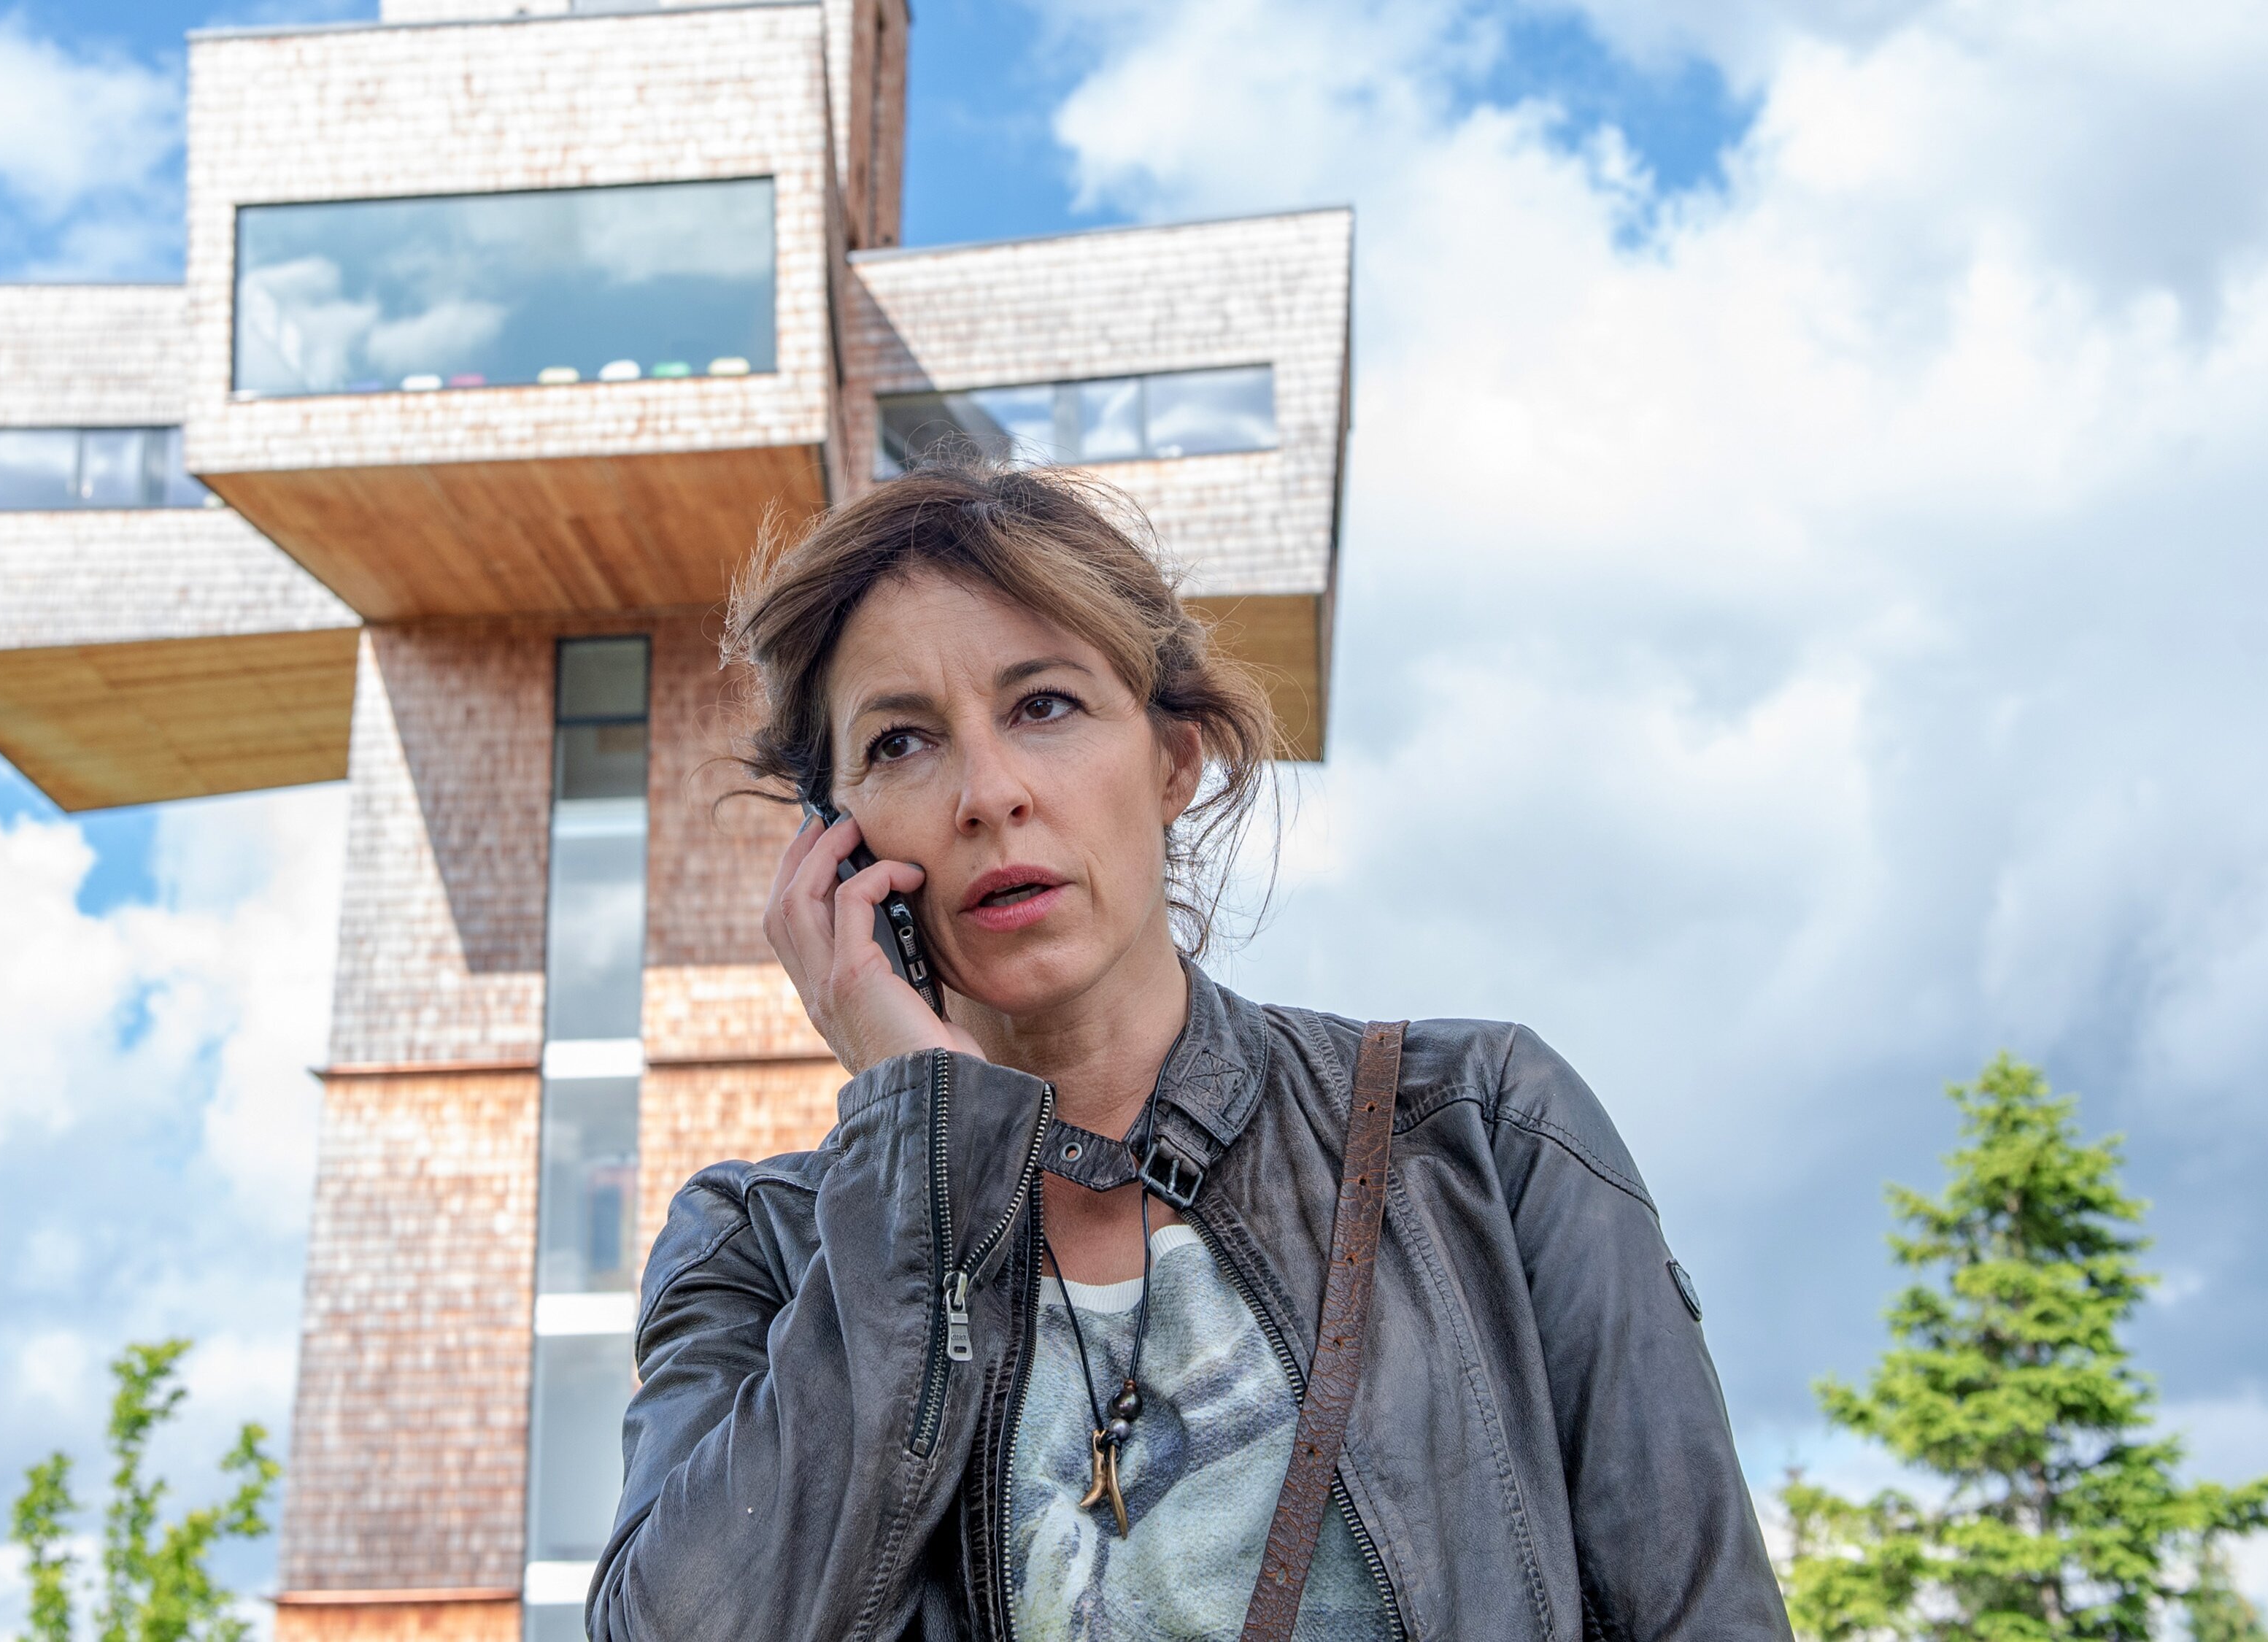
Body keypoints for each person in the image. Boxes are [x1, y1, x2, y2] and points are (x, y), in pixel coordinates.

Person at [586, 458, 1792, 1642]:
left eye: (1044, 706)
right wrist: (918, 1154)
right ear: (834, 845)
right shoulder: (764, 1247)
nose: (988, 792)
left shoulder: (1482, 1130)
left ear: (1173, 762)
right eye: (901, 741)